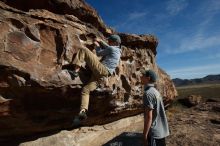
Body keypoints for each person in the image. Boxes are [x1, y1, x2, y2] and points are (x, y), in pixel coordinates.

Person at [72, 34, 122, 123]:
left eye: (110, 41)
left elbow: (99, 53)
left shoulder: (111, 48)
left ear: (114, 42)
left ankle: (75, 71)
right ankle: (83, 111)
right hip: (103, 76)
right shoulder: (118, 51)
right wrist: (100, 40)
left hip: (102, 69)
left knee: (83, 50)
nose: (108, 43)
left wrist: (97, 46)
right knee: (86, 90)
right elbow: (108, 47)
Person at [141, 69, 169, 146]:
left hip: (154, 133)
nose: (141, 77)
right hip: (161, 131)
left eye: (143, 76)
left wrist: (144, 135)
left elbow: (149, 117)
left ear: (148, 78)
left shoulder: (148, 94)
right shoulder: (156, 92)